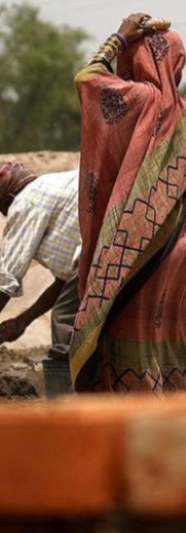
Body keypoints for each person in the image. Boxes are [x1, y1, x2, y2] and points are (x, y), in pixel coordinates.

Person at [69, 14, 186, 395]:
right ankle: (183, 412)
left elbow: (86, 79)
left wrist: (118, 37)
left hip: (141, 246)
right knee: (167, 341)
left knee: (128, 344)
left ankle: (138, 427)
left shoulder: (140, 99)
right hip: (181, 240)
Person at [0, 162, 80, 396]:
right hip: (110, 249)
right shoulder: (53, 189)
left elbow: (7, 278)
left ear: (8, 197)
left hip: (96, 256)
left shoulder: (26, 201)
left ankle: (62, 405)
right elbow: (63, 283)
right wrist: (23, 320)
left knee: (64, 322)